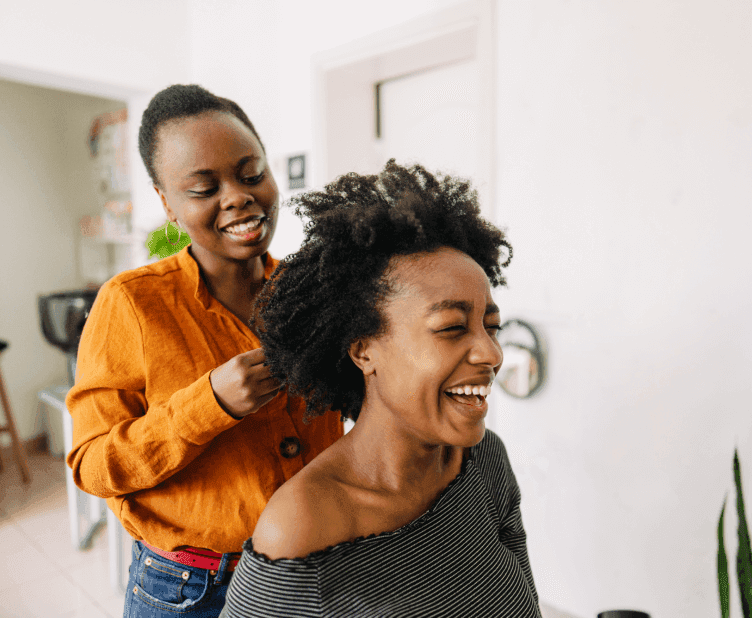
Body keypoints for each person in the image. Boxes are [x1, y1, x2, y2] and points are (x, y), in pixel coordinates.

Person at [65, 84, 343, 618]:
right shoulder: (130, 305)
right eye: (204, 187)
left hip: (313, 569)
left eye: (250, 172)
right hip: (192, 590)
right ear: (167, 202)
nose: (238, 196)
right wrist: (208, 404)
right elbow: (93, 465)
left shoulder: (313, 294)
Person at [220, 160, 541, 618]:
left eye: (490, 327)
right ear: (364, 351)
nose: (491, 354)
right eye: (452, 328)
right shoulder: (303, 527)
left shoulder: (484, 459)